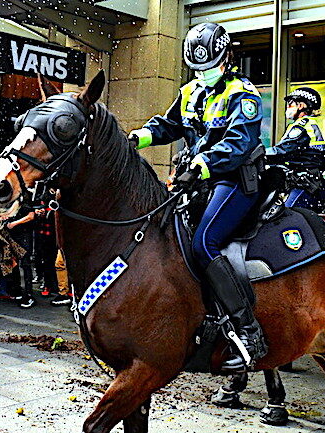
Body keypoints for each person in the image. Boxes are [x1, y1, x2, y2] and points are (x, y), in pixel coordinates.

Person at [128, 22, 266, 372]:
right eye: (197, 69)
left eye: (209, 67)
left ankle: (249, 332)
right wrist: (139, 137)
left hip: (233, 180)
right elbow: (169, 125)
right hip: (198, 182)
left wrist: (201, 165)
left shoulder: (243, 94)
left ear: (226, 58)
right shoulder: (190, 91)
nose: (202, 74)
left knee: (204, 244)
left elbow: (237, 145)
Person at [267, 87, 325, 210]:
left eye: (290, 103)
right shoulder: (308, 123)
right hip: (307, 180)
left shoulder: (302, 125)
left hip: (305, 183)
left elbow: (285, 150)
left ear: (301, 105)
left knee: (286, 215)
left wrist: (259, 153)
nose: (288, 107)